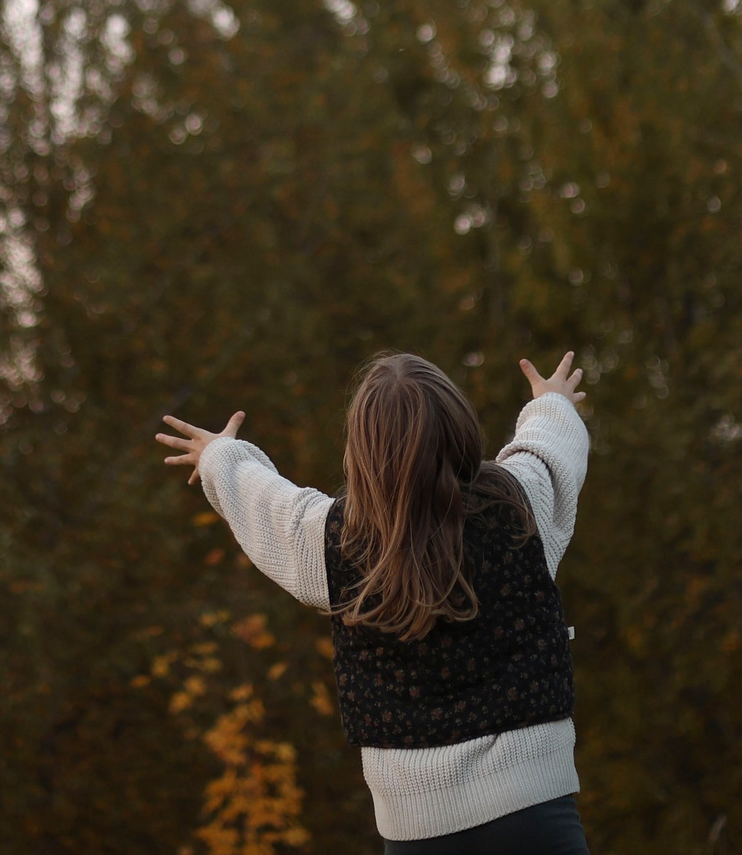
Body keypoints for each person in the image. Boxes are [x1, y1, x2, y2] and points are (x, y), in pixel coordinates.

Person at [156, 352, 592, 854]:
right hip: (536, 812)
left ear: (360, 451)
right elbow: (550, 446)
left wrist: (219, 455)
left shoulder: (332, 543)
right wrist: (551, 402)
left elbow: (266, 503)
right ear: (459, 428)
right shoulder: (520, 504)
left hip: (416, 832)